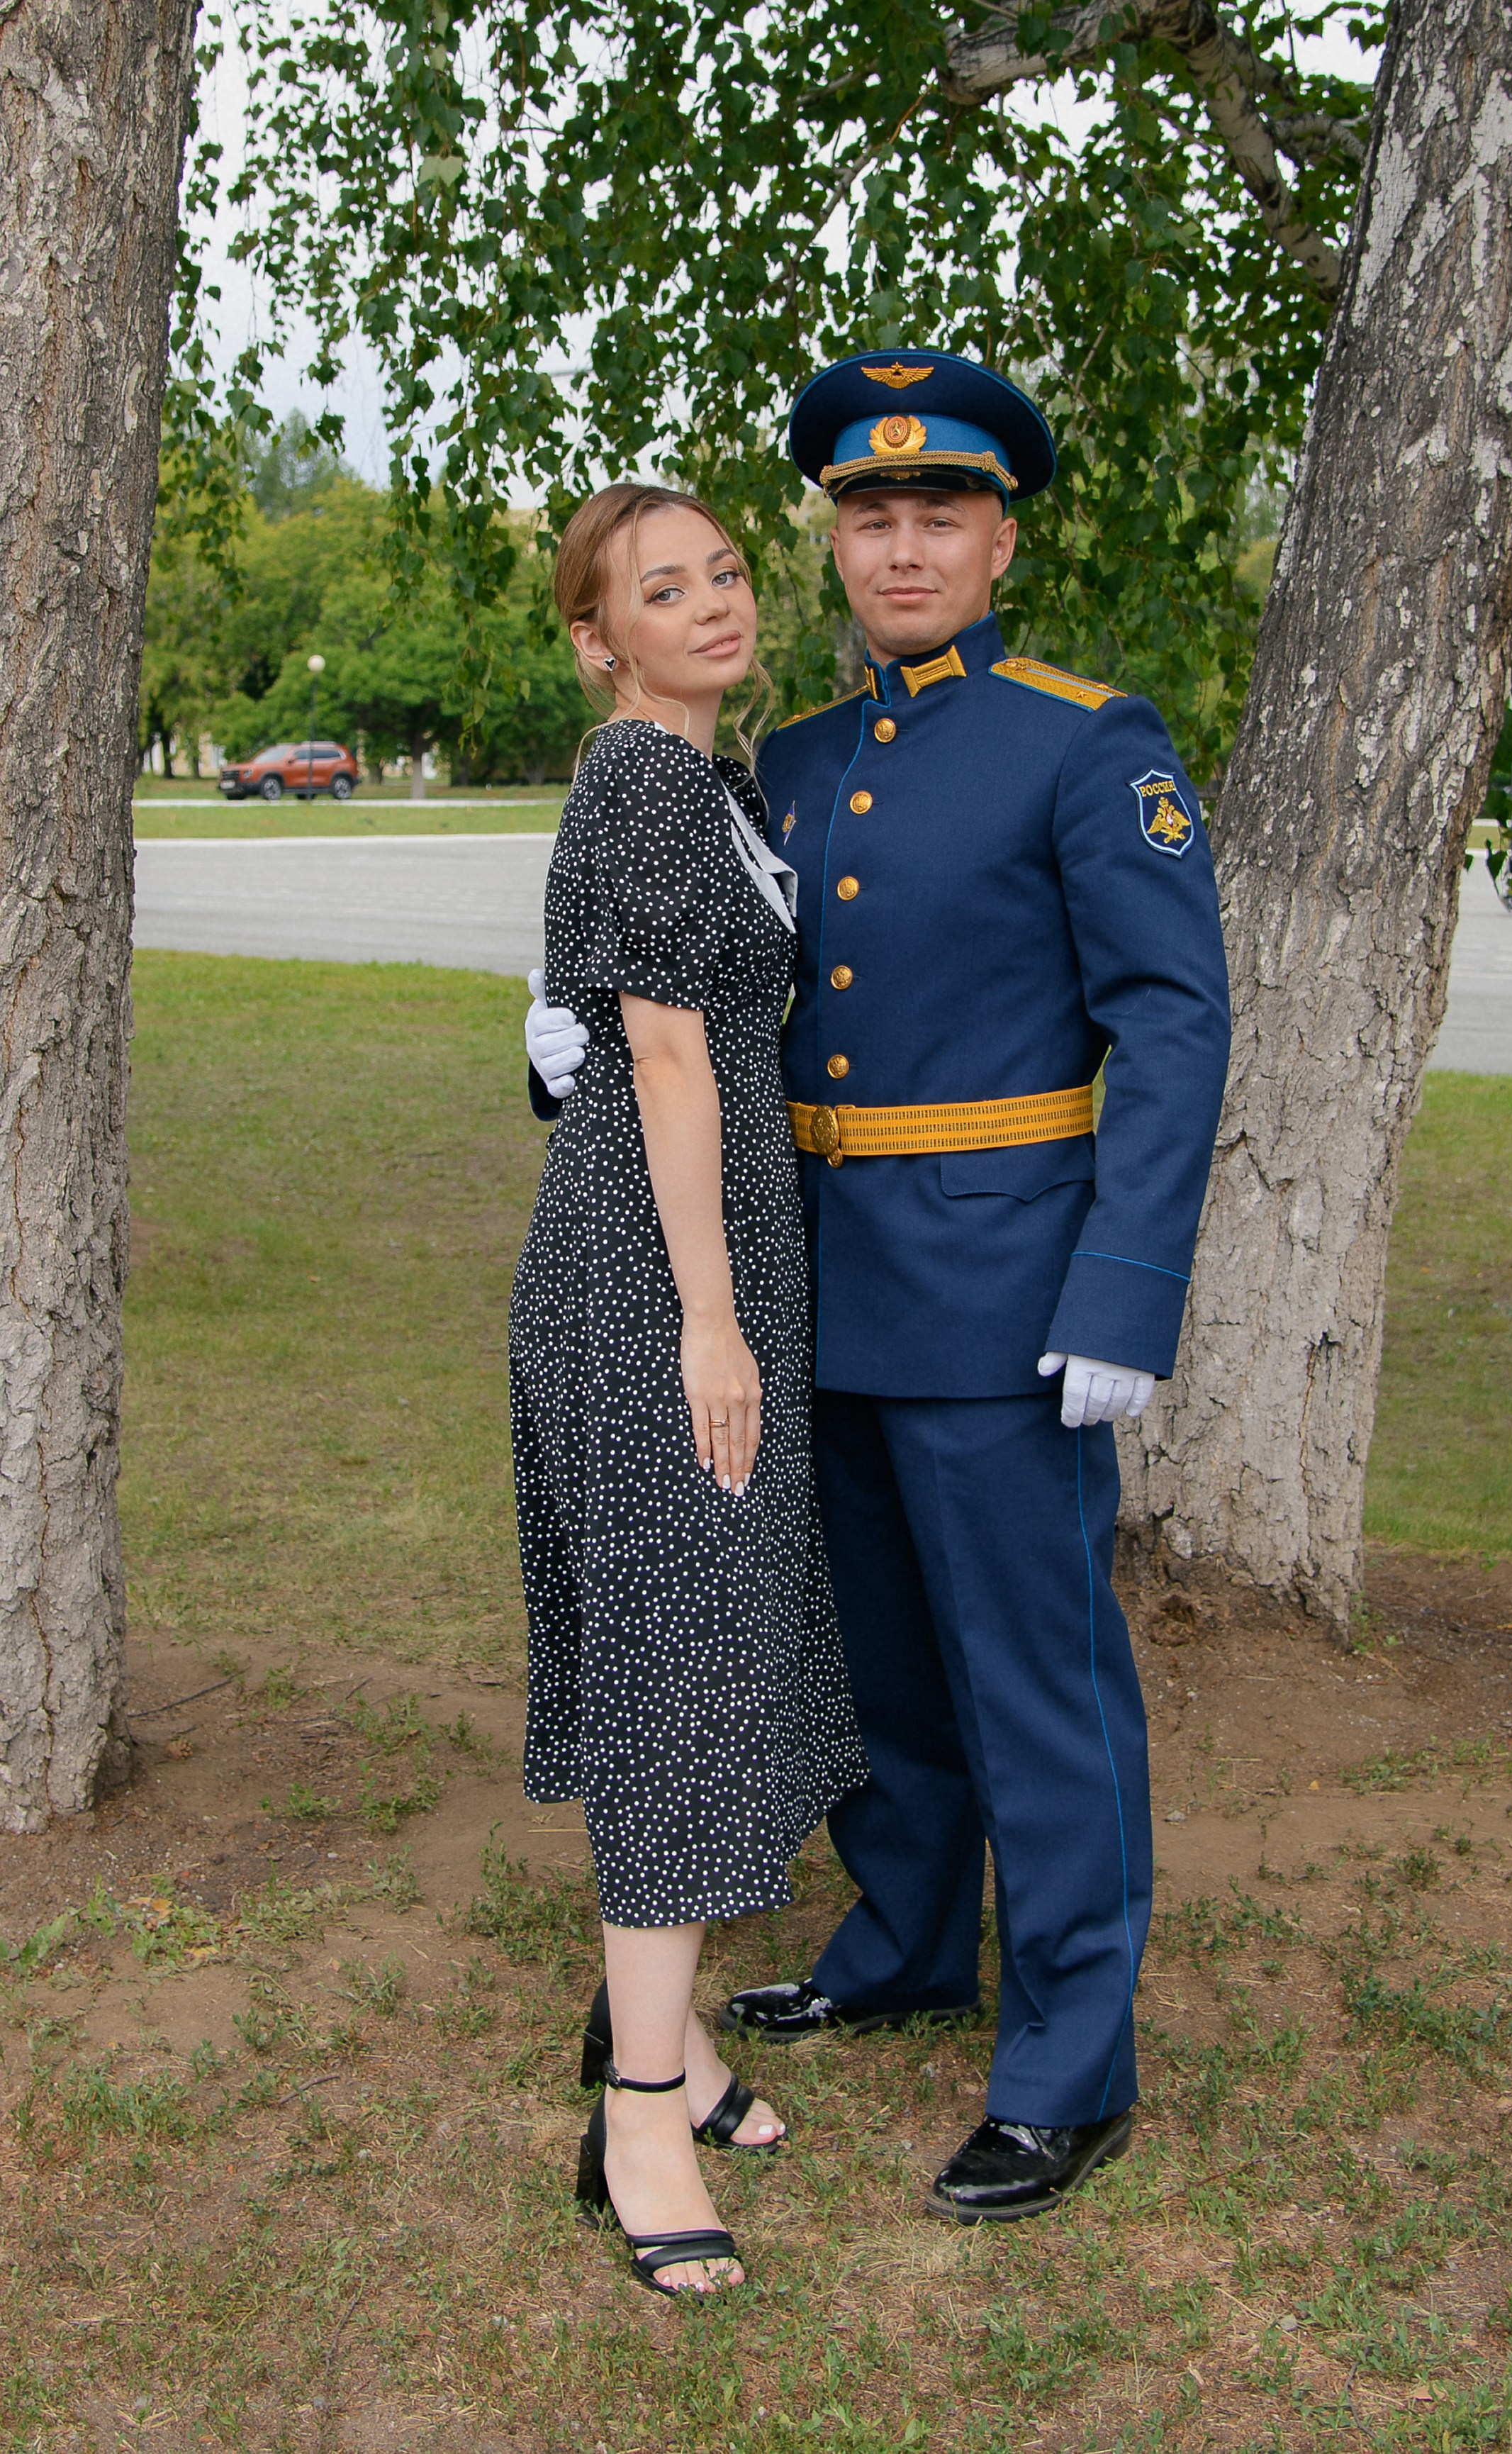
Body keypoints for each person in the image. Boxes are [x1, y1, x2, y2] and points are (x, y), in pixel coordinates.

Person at [530, 350, 1231, 2226]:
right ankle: (905, 1937)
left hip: (1010, 1292)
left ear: (997, 535)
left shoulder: (1089, 739)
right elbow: (704, 996)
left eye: (938, 511)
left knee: (1035, 1677)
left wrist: (1127, 1279)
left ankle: (1070, 2057)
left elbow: (1171, 1018)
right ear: (835, 540)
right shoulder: (799, 763)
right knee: (886, 1668)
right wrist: (566, 1042)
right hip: (811, 1290)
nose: (900, 543)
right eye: (867, 514)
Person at [510, 481, 866, 2295]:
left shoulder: (703, 788)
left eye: (726, 569)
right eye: (665, 588)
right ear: (600, 635)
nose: (715, 601)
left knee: (708, 1639)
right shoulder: (640, 779)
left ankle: (664, 2043)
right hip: (661, 1282)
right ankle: (641, 2108)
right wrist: (708, 1321)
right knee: (678, 1667)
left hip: (704, 1261)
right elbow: (655, 1047)